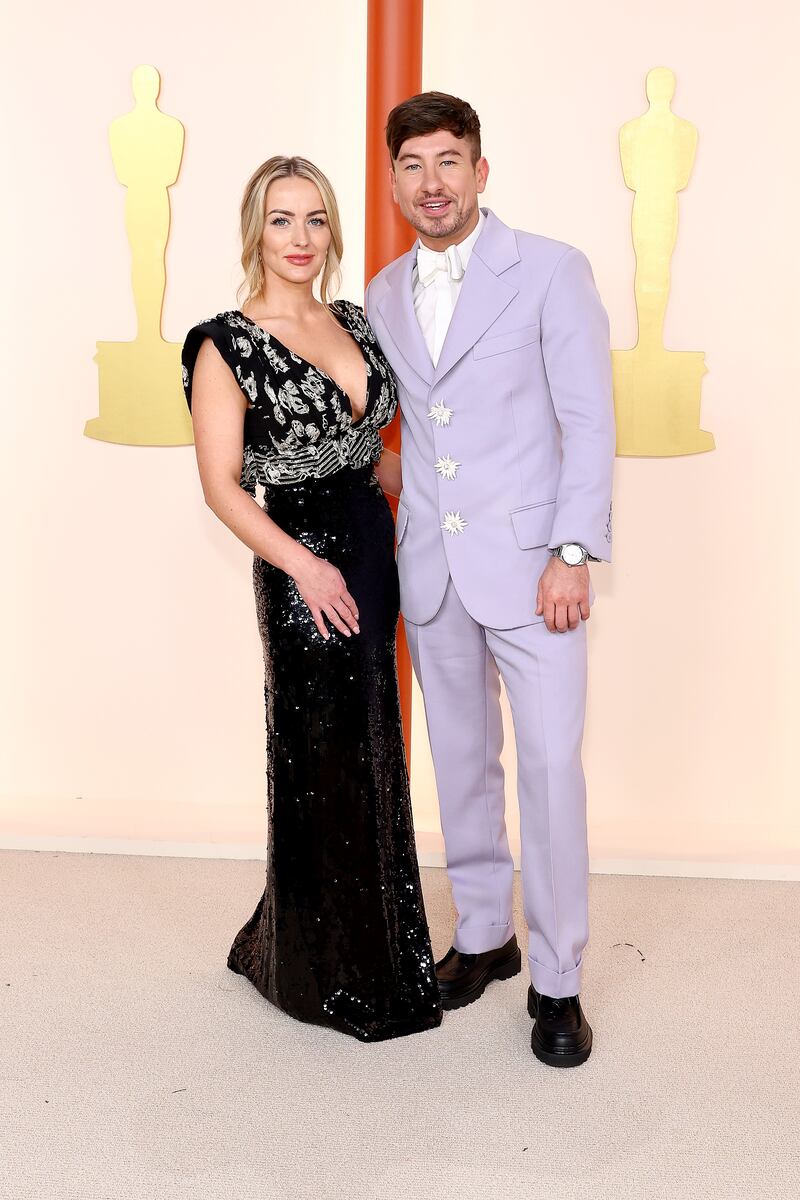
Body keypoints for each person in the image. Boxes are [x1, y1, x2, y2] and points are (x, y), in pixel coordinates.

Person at [365, 93, 615, 1066]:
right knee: (460, 764)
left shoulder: (550, 271)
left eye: (448, 161)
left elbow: (587, 422)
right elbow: (411, 427)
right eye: (413, 166)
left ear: (479, 170)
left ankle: (557, 981)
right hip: (432, 568)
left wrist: (570, 552)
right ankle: (483, 936)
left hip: (533, 569)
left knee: (550, 773)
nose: (432, 183)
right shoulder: (383, 291)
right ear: (393, 183)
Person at [181, 155, 442, 1043]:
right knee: (320, 749)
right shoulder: (225, 341)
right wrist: (306, 567)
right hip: (303, 567)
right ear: (256, 229)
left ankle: (378, 950)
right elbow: (222, 487)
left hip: (373, 549)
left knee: (373, 738)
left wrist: (455, 499)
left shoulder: (356, 320)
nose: (301, 239)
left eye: (317, 220)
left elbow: (372, 454)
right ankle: (318, 970)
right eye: (283, 220)